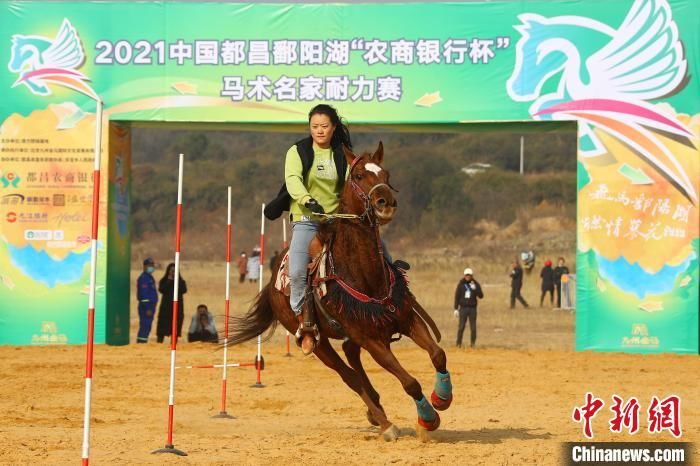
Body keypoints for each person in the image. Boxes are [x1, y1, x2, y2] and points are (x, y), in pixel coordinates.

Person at [264, 104, 408, 356]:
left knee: (381, 256)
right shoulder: (297, 151)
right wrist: (308, 200)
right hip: (307, 219)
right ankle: (305, 325)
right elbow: (293, 181)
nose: (319, 131)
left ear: (333, 128)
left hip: (339, 219)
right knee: (298, 270)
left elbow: (355, 184)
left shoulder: (343, 155)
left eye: (324, 126)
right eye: (314, 126)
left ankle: (391, 307)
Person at [156, 263, 187, 343]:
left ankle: (173, 345)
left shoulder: (181, 281)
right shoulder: (164, 281)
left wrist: (177, 280)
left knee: (175, 329)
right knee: (162, 329)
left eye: (174, 271)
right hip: (165, 310)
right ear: (168, 271)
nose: (173, 272)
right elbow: (162, 290)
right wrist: (169, 281)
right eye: (171, 271)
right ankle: (159, 345)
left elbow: (184, 290)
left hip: (177, 309)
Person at [453, 268, 483, 348]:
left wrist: (475, 289)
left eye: (469, 275)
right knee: (461, 327)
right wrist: (456, 308)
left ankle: (472, 344)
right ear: (464, 275)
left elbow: (481, 296)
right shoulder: (461, 284)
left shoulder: (475, 284)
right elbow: (457, 296)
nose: (468, 276)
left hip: (472, 309)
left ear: (472, 276)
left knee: (473, 328)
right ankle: (458, 343)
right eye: (466, 275)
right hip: (463, 308)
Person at [136, 257, 158, 343]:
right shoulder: (144, 278)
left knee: (148, 326)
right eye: (149, 265)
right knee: (144, 326)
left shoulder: (150, 277)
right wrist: (147, 308)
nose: (151, 267)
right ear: (144, 266)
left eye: (152, 265)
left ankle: (144, 342)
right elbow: (143, 295)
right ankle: (141, 343)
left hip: (151, 306)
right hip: (146, 307)